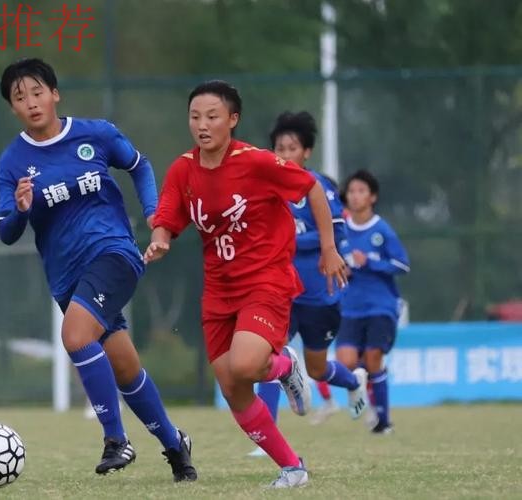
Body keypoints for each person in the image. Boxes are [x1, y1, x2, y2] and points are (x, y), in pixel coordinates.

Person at [0, 58, 196, 481]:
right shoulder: (12, 163)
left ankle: (116, 439)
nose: (31, 103)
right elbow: (7, 233)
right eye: (20, 97)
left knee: (74, 336)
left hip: (114, 254)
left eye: (37, 92)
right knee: (124, 367)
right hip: (67, 278)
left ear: (55, 94)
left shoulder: (96, 134)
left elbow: (139, 165)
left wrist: (155, 215)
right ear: (12, 107)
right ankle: (175, 445)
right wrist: (22, 210)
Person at [144, 81, 348, 489]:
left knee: (245, 365)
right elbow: (167, 216)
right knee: (233, 388)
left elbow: (311, 188)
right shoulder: (183, 169)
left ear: (233, 120)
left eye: (212, 116)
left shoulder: (257, 162)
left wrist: (328, 249)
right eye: (195, 117)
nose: (202, 125)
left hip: (265, 280)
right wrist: (160, 239)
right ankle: (293, 468)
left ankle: (284, 365)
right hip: (219, 290)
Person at [249, 113, 368, 454]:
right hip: (281, 293)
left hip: (320, 296)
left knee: (316, 368)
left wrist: (292, 241)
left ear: (306, 152)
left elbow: (337, 234)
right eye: (280, 148)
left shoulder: (318, 187)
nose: (286, 154)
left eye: (292, 148)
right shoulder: (267, 188)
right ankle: (267, 440)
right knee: (267, 356)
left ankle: (354, 381)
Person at [336, 169, 410, 435]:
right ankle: (365, 393)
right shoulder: (341, 230)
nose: (355, 196)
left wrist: (370, 262)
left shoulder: (382, 229)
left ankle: (383, 421)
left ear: (372, 197)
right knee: (345, 362)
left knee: (373, 358)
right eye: (351, 191)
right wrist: (341, 269)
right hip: (349, 307)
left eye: (361, 191)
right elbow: (333, 261)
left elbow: (402, 265)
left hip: (381, 306)